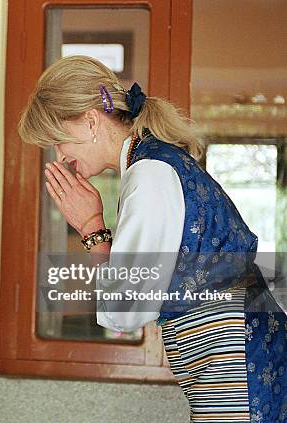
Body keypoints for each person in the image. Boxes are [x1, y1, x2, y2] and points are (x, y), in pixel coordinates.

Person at [18, 55, 285, 423]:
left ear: (90, 122)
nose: (60, 155)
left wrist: (92, 228)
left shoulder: (149, 176)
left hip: (240, 371)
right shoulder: (154, 163)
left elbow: (126, 310)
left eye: (57, 141)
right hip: (240, 362)